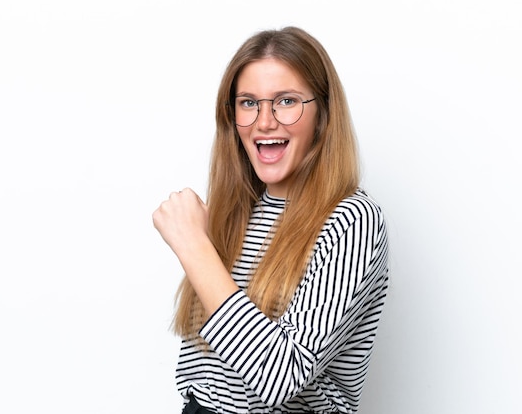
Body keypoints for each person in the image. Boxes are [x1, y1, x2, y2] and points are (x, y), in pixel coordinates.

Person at [152, 26, 390, 414]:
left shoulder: (352, 220)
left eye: (286, 101)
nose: (264, 121)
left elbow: (280, 377)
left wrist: (194, 248)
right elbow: (206, 378)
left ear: (323, 115)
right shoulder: (235, 214)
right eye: (249, 102)